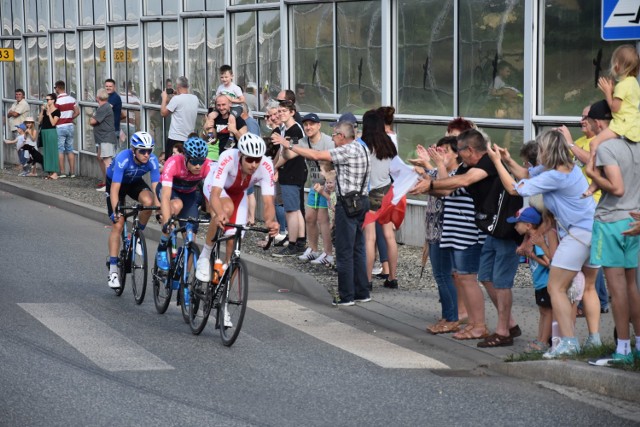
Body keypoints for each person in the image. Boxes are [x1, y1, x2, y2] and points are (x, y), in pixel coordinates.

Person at [485, 129, 598, 358]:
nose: (539, 152)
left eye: (541, 148)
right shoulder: (567, 168)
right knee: (588, 287)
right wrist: (507, 160)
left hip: (577, 235)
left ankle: (568, 342)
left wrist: (496, 162)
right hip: (594, 232)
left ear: (547, 150)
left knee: (555, 287)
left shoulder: (554, 176)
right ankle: (594, 340)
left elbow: (514, 188)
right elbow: (526, 173)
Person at [411, 130, 523, 348]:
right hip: (486, 229)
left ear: (470, 149)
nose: (459, 155)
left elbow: (464, 181)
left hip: (491, 229)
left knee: (483, 279)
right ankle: (505, 324)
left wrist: (432, 183)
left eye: (460, 150)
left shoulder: (487, 163)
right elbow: (448, 190)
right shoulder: (466, 166)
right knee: (483, 278)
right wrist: (427, 184)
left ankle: (485, 325)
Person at [273, 120, 371, 306]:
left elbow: (317, 154)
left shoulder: (346, 150)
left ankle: (346, 296)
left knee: (343, 250)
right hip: (362, 201)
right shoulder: (362, 147)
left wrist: (290, 145)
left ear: (342, 136)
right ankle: (362, 292)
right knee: (358, 248)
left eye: (334, 135)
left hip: (348, 203)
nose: (332, 138)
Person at [585, 113, 640, 366]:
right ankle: (637, 345)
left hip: (610, 222)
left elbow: (615, 187)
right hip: (634, 220)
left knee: (617, 290)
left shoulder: (607, 147)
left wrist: (591, 174)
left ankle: (623, 350)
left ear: (600, 122)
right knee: (631, 287)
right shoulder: (637, 145)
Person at [196, 133, 279, 280]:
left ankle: (223, 293)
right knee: (226, 209)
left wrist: (271, 221)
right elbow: (215, 194)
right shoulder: (228, 157)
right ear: (240, 154)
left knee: (234, 247)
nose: (254, 164)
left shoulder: (266, 166)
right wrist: (219, 213)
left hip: (238, 194)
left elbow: (268, 202)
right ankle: (205, 255)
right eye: (250, 159)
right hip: (216, 187)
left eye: (257, 160)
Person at [105, 131, 161, 289]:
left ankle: (136, 236)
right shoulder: (123, 158)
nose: (146, 154)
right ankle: (114, 271)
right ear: (133, 150)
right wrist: (116, 211)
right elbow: (115, 190)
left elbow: (157, 188)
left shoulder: (152, 160)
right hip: (116, 185)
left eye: (149, 150)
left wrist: (159, 210)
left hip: (134, 183)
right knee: (118, 223)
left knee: (149, 201)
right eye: (142, 151)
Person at [155, 136, 214, 272]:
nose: (198, 166)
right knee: (176, 206)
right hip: (170, 191)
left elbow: (210, 193)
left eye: (201, 161)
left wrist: (213, 214)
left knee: (191, 238)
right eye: (194, 162)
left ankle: (184, 280)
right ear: (186, 157)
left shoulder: (207, 166)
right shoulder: (174, 162)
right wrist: (166, 220)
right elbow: (165, 196)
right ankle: (162, 247)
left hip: (189, 195)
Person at [285, 113, 335, 265]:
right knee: (309, 217)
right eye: (305, 124)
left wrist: (328, 184)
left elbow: (331, 162)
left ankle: (328, 253)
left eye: (312, 124)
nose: (308, 127)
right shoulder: (302, 141)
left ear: (319, 125)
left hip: (328, 185)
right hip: (315, 184)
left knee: (323, 219)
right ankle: (313, 249)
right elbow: (288, 155)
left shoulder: (328, 141)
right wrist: (285, 146)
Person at [508, 207, 557, 353]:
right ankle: (540, 338)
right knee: (543, 311)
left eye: (518, 223)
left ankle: (543, 341)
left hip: (545, 282)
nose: (515, 227)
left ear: (528, 225)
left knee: (547, 312)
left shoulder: (536, 241)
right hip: (539, 283)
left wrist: (532, 256)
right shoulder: (531, 239)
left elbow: (548, 262)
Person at [361, 110, 399, 289]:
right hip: (387, 192)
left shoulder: (363, 145)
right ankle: (392, 277)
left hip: (370, 194)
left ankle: (366, 280)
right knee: (389, 236)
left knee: (370, 238)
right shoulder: (389, 144)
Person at [588, 44, 640, 153]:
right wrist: (612, 92)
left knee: (594, 143)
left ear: (617, 66)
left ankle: (593, 168)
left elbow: (614, 108)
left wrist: (607, 92)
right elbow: (625, 103)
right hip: (633, 124)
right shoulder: (634, 82)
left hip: (621, 125)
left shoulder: (622, 85)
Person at [271, 100, 307, 257]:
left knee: (291, 210)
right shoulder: (285, 129)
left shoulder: (294, 129)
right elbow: (283, 151)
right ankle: (299, 241)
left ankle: (292, 244)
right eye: (279, 111)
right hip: (289, 172)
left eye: (284, 111)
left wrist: (275, 166)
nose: (280, 114)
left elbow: (291, 153)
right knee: (296, 209)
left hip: (293, 172)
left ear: (292, 112)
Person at [161, 76, 199, 157]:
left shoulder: (177, 99)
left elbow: (163, 113)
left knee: (171, 164)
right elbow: (182, 103)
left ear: (178, 87)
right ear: (187, 86)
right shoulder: (195, 98)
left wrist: (164, 98)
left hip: (175, 138)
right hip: (188, 139)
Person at [91, 89, 116, 192]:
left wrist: (92, 115)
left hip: (106, 137)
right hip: (103, 138)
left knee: (107, 161)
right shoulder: (106, 107)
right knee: (101, 158)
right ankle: (106, 181)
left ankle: (109, 186)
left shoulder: (103, 108)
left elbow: (92, 121)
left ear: (97, 98)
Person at [54, 80, 80, 178]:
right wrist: (70, 118)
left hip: (60, 126)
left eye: (55, 88)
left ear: (57, 88)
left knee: (60, 149)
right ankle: (72, 172)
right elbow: (77, 112)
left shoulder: (57, 101)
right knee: (70, 149)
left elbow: (55, 114)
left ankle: (63, 172)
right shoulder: (72, 99)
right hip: (70, 125)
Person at [39, 93, 61, 179]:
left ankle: (55, 172)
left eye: (48, 100)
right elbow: (40, 121)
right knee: (47, 152)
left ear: (53, 101)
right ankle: (50, 171)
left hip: (51, 131)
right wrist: (42, 111)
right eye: (46, 100)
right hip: (44, 131)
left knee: (52, 151)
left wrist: (49, 113)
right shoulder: (45, 110)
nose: (46, 101)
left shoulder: (57, 111)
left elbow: (53, 123)